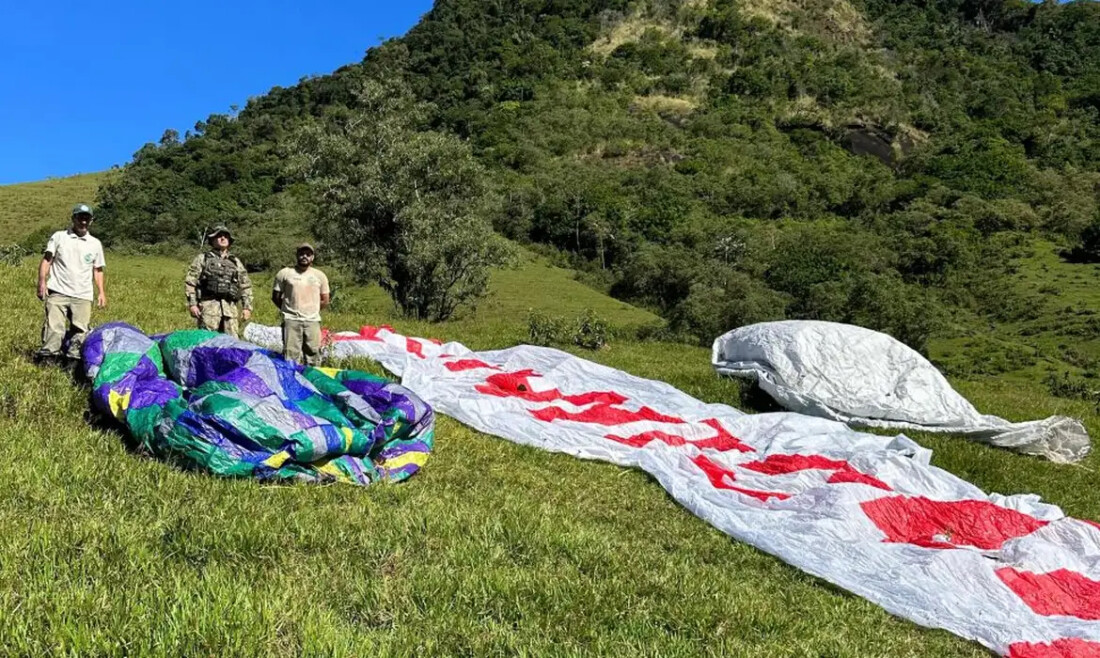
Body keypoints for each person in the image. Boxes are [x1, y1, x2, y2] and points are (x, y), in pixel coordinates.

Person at [35, 203, 107, 364]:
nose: (83, 222)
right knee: (54, 327)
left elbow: (98, 269)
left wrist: (101, 292)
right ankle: (48, 358)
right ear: (73, 218)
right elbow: (47, 260)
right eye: (80, 218)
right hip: (58, 290)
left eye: (87, 218)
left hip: (82, 294)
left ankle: (72, 362)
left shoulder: (95, 243)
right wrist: (42, 282)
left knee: (80, 330)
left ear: (91, 221)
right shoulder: (59, 237)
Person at [184, 226, 253, 338]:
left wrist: (247, 307)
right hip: (208, 309)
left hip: (230, 311)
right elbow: (190, 282)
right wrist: (192, 304)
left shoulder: (235, 262)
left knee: (232, 346)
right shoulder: (203, 258)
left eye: (226, 236)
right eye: (219, 235)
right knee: (207, 343)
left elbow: (245, 285)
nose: (223, 238)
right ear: (212, 240)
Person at [272, 243, 330, 366]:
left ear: (312, 257)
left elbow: (325, 299)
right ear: (297, 255)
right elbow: (275, 296)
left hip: (312, 321)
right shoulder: (285, 273)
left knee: (313, 354)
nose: (305, 256)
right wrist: (287, 310)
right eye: (302, 253)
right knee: (291, 356)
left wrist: (313, 311)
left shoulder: (320, 275)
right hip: (291, 320)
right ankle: (291, 381)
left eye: (308, 254)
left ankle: (313, 381)